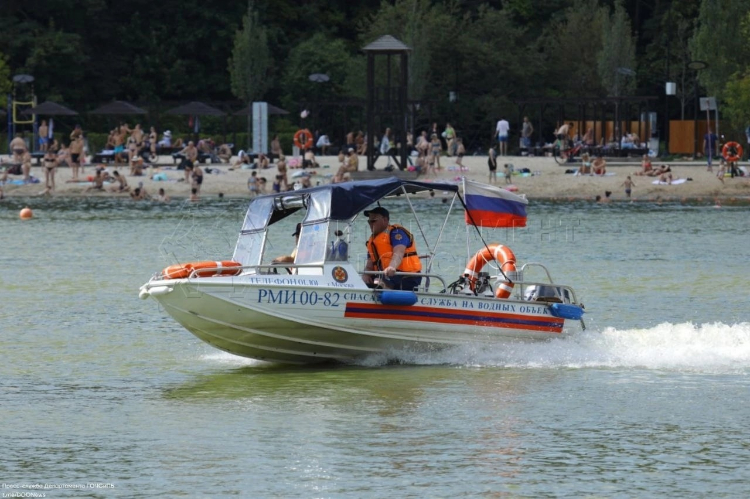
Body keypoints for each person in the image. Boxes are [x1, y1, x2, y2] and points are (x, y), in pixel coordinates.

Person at [362, 207, 422, 291]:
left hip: (405, 277)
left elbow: (399, 252)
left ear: (385, 220)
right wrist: (366, 274)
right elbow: (369, 265)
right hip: (386, 276)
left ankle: (384, 292)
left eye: (373, 221)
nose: (370, 224)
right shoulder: (372, 241)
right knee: (363, 280)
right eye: (369, 221)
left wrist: (392, 266)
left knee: (377, 281)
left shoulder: (396, 233)